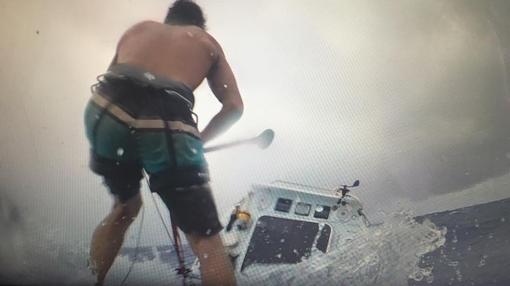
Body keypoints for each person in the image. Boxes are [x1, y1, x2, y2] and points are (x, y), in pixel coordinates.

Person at [84, 1, 242, 285]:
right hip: (165, 119)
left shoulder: (138, 31)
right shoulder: (204, 40)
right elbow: (234, 106)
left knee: (124, 207)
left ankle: (88, 279)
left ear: (168, 20)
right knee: (208, 244)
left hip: (105, 111)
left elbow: (116, 78)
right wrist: (199, 141)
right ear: (198, 25)